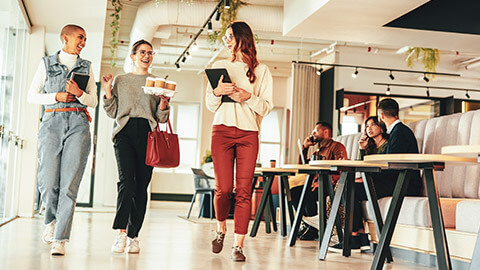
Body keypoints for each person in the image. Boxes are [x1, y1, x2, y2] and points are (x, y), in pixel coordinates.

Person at [27, 24, 98, 256]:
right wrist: (55, 96)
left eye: (85, 39)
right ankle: (51, 219)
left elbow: (94, 101)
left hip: (78, 125)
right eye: (80, 37)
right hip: (51, 122)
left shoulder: (86, 67)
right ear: (65, 38)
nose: (83, 42)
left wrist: (80, 93)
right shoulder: (47, 63)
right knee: (47, 182)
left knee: (69, 185)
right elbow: (31, 95)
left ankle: (60, 239)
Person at [206, 21, 273, 262]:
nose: (226, 40)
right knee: (223, 189)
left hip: (248, 134)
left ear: (242, 38)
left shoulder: (262, 71)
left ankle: (239, 246)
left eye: (230, 36)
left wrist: (248, 97)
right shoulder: (219, 66)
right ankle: (221, 228)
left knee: (244, 191)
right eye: (225, 37)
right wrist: (216, 92)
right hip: (221, 131)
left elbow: (266, 107)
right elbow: (210, 105)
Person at [102, 39, 170, 254]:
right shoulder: (121, 80)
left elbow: (161, 117)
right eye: (142, 52)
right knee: (126, 182)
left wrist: (164, 102)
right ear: (132, 56)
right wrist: (108, 91)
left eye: (150, 52)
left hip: (148, 135)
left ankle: (134, 236)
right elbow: (112, 112)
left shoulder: (156, 82)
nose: (146, 55)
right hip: (124, 132)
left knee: (141, 186)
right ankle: (121, 233)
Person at [333, 98, 422, 250]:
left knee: (350, 188)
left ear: (381, 115)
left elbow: (391, 168)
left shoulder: (399, 133)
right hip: (397, 181)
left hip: (404, 185)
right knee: (350, 187)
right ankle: (358, 236)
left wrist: (368, 180)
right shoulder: (398, 132)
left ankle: (356, 237)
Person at [289, 121, 348, 240]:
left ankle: (313, 228)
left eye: (316, 130)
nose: (313, 133)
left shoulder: (337, 146)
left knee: (309, 194)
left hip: (331, 185)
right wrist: (305, 148)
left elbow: (342, 167)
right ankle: (309, 225)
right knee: (294, 192)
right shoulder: (318, 151)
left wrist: (324, 182)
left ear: (326, 132)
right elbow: (303, 166)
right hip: (317, 184)